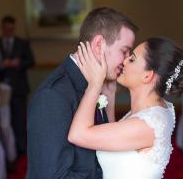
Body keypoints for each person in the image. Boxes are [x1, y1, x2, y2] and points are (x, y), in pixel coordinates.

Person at [27, 7, 137, 178]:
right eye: (124, 51)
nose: (127, 59)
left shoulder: (98, 84)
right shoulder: (53, 95)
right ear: (99, 44)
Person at [68, 37, 182, 179]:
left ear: (147, 75)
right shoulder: (152, 111)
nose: (124, 61)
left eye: (132, 59)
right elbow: (115, 137)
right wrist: (109, 91)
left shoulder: (147, 125)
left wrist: (94, 85)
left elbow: (78, 135)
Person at [0, 15, 35, 157]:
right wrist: (2, 64)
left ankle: (21, 150)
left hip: (19, 87)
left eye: (11, 29)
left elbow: (31, 61)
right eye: (6, 29)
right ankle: (7, 152)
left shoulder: (22, 43)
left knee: (19, 121)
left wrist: (18, 63)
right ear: (2, 28)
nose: (9, 31)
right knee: (4, 121)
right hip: (1, 88)